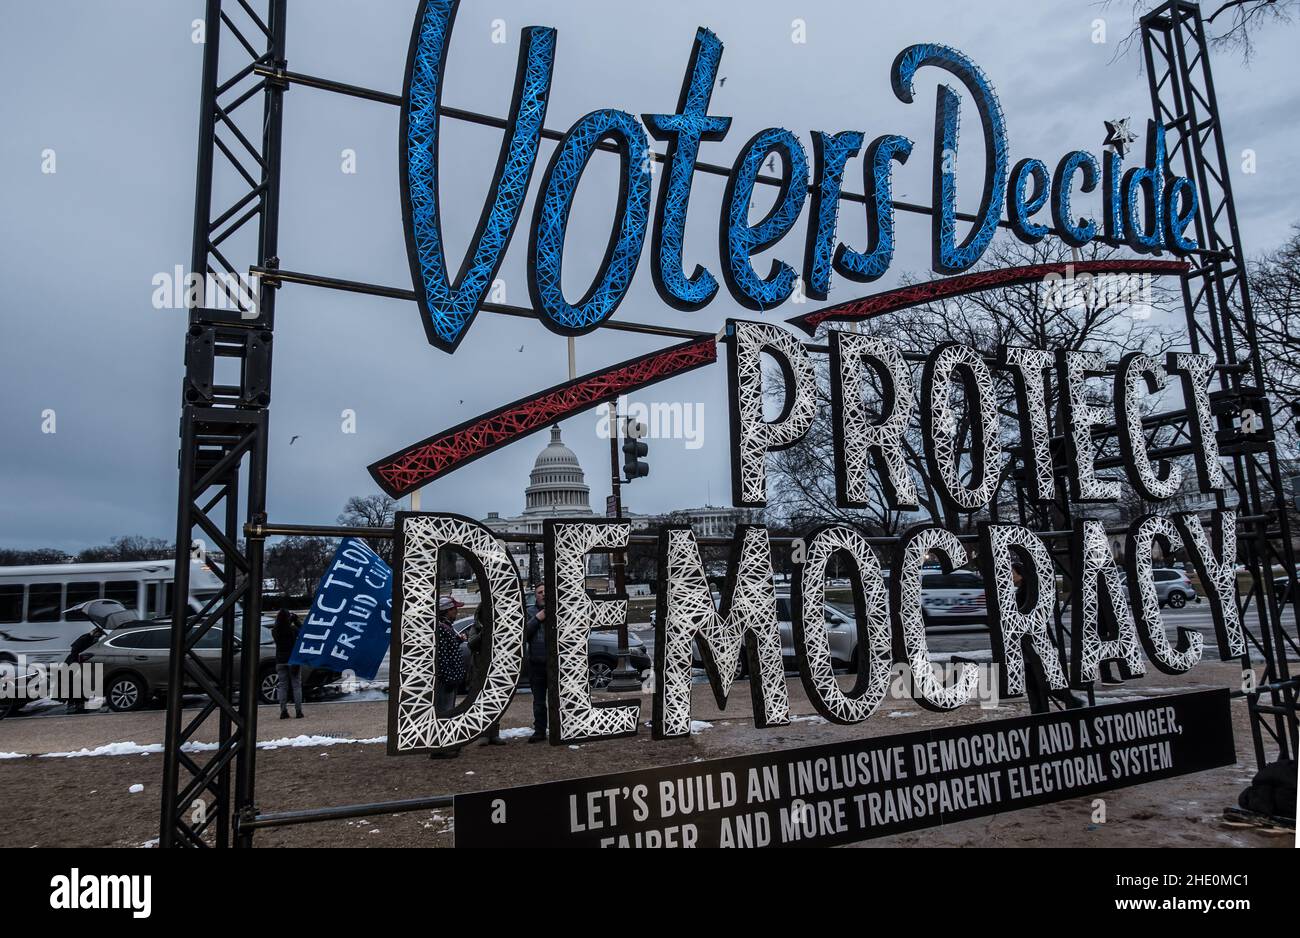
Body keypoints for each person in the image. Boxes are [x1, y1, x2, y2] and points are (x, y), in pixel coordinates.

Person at [1013, 561, 1085, 712]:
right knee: (1037, 679)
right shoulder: (1024, 591)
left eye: (1012, 572)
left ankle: (1064, 703)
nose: (1010, 575)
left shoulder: (1025, 593)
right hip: (1034, 642)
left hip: (1034, 642)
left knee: (1039, 679)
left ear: (1021, 574)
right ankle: (1051, 706)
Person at [430, 595, 468, 759]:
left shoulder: (446, 627)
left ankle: (444, 745)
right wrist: (450, 678)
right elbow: (442, 657)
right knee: (444, 712)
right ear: (446, 611)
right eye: (454, 609)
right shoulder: (441, 629)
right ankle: (439, 748)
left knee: (447, 711)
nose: (457, 612)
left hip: (449, 679)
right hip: (446, 680)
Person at [466, 601, 504, 745]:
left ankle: (494, 733)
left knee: (495, 700)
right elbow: (471, 644)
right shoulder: (476, 627)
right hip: (479, 667)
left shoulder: (498, 627)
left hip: (494, 668)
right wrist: (483, 633)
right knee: (481, 701)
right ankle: (483, 734)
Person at [523, 583, 549, 742]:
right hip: (537, 664)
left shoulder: (559, 609)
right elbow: (523, 634)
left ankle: (560, 728)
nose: (544, 594)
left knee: (558, 699)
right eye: (540, 592)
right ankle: (539, 730)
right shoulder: (529, 612)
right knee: (539, 701)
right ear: (536, 595)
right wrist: (537, 619)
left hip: (555, 664)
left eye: (546, 591)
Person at [64, 622, 106, 714]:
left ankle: (79, 704)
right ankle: (74, 705)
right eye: (98, 635)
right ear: (95, 632)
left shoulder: (91, 639)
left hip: (80, 664)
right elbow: (75, 650)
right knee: (74, 686)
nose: (98, 637)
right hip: (74, 664)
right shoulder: (85, 638)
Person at [273, 608, 304, 719]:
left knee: (283, 686)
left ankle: (283, 710)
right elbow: (303, 633)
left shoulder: (275, 631)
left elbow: (280, 627)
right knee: (296, 686)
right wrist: (296, 621)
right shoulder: (293, 630)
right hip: (293, 660)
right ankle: (298, 711)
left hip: (280, 661)